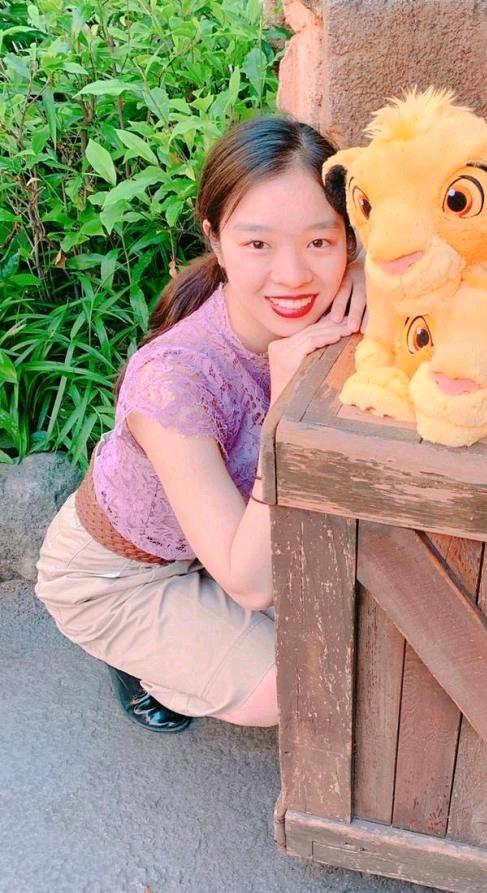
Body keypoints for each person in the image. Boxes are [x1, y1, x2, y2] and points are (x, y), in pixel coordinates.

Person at [34, 116, 364, 733]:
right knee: (295, 684)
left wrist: (370, 274)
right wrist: (284, 411)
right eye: (258, 245)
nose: (294, 275)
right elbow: (250, 584)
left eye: (320, 241)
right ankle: (142, 664)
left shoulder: (338, 284)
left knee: (351, 626)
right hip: (118, 577)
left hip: (216, 547)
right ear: (215, 239)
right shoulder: (174, 381)